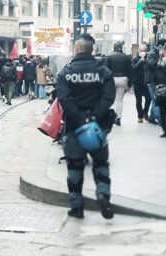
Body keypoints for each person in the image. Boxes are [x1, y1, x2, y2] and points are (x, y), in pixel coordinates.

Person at [55, 34, 115, 220]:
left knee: (74, 168)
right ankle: (103, 194)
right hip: (98, 126)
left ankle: (77, 207)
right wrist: (94, 117)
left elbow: (64, 100)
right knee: (100, 165)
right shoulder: (103, 72)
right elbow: (108, 98)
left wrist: (81, 118)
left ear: (76, 48)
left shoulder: (65, 72)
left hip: (74, 127)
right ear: (92, 49)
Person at [105, 41, 132, 126]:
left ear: (114, 47)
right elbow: (130, 71)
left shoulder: (109, 57)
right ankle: (118, 117)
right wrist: (130, 85)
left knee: (109, 99)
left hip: (112, 79)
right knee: (119, 99)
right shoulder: (126, 57)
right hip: (123, 79)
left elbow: (106, 70)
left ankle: (109, 117)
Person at [146, 39, 166, 124]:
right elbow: (154, 66)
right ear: (160, 46)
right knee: (156, 100)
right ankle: (160, 118)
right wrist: (160, 56)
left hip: (161, 80)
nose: (165, 48)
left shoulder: (164, 54)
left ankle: (152, 117)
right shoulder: (151, 54)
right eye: (165, 46)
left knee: (156, 99)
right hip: (153, 81)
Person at [131, 44, 152, 123]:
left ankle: (145, 112)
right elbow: (133, 69)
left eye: (144, 51)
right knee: (138, 101)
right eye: (141, 51)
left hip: (146, 83)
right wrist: (140, 62)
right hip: (137, 83)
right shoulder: (135, 59)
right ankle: (140, 116)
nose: (143, 52)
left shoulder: (148, 58)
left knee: (149, 99)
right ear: (138, 51)